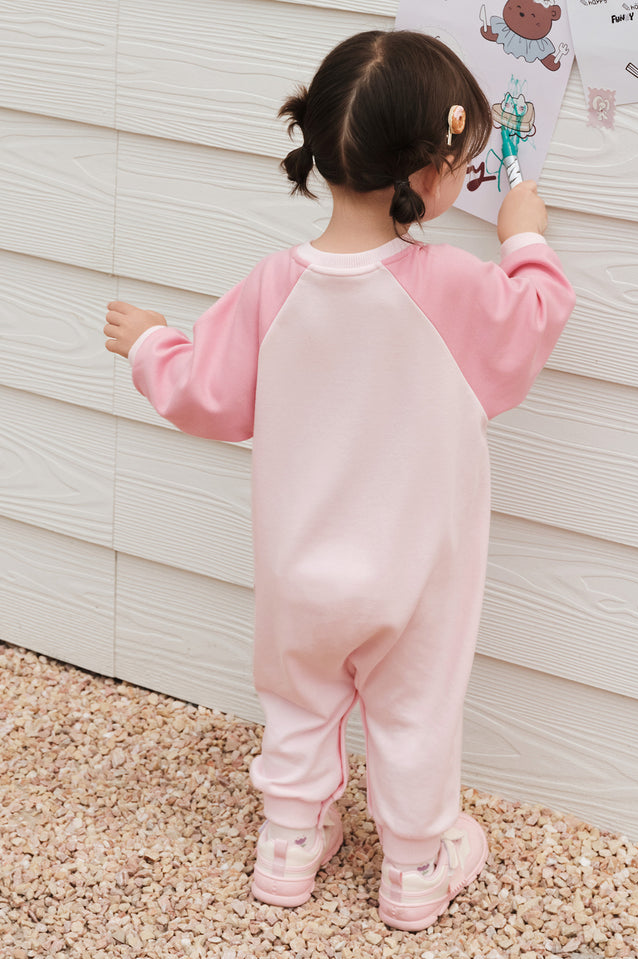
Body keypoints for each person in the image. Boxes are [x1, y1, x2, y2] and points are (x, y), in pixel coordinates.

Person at [103, 29, 575, 932]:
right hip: (416, 578)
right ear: (432, 174)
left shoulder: (273, 286)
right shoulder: (453, 286)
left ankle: (288, 841)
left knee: (299, 701)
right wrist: (524, 236)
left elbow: (208, 393)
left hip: (299, 573)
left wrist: (155, 341)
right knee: (414, 710)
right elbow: (533, 322)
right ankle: (416, 865)